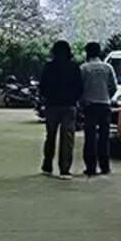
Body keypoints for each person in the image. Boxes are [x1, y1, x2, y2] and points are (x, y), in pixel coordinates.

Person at [39, 41, 83, 179]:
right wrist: (74, 99)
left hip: (52, 106)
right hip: (69, 106)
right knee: (67, 139)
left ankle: (47, 166)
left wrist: (47, 98)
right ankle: (64, 170)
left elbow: (42, 86)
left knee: (50, 136)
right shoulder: (74, 67)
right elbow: (80, 87)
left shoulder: (49, 66)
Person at [80, 41, 118, 176]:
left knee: (90, 137)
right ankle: (105, 166)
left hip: (90, 106)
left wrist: (82, 102)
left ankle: (90, 167)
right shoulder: (108, 68)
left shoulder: (83, 68)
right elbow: (114, 87)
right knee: (104, 137)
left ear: (87, 53)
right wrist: (107, 96)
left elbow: (80, 88)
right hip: (105, 105)